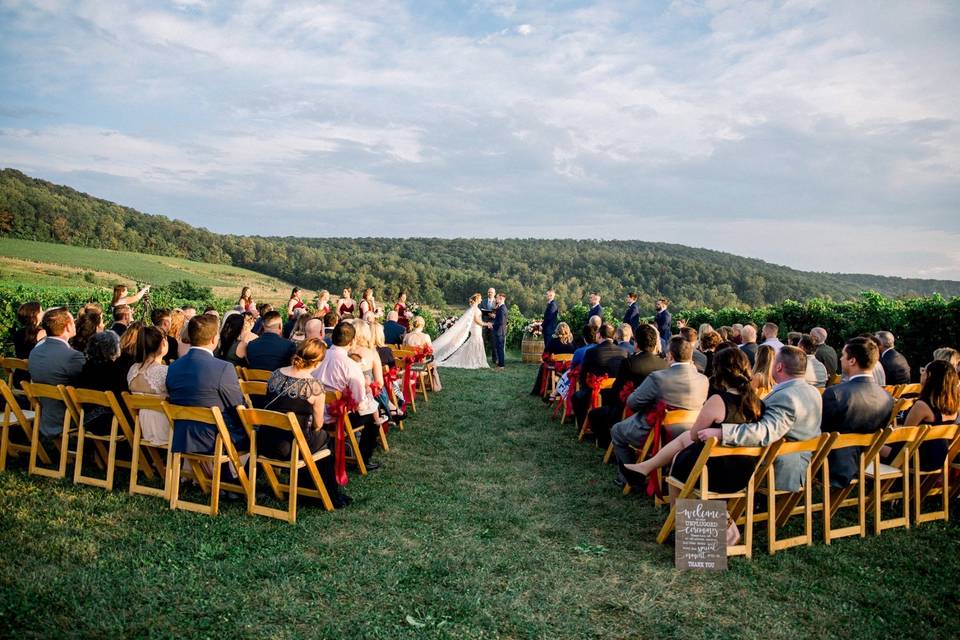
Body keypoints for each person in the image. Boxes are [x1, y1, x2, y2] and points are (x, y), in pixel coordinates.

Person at [626, 347, 762, 499]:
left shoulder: (718, 401)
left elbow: (694, 435)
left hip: (713, 472)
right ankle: (645, 467)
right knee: (685, 438)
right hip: (744, 473)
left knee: (679, 459)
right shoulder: (757, 402)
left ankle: (680, 517)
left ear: (719, 371)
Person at [702, 346, 822, 492]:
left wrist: (722, 433)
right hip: (796, 459)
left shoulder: (787, 397)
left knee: (713, 468)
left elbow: (765, 432)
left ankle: (710, 510)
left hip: (775, 468)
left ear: (778, 367)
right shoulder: (813, 391)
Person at [260, 339, 351, 508]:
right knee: (323, 438)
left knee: (313, 439)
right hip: (291, 447)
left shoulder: (275, 374)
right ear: (317, 362)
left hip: (264, 442)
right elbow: (318, 423)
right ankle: (324, 492)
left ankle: (306, 487)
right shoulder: (314, 386)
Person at [610, 336, 709, 486]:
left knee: (617, 430)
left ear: (670, 355)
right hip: (691, 433)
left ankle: (627, 476)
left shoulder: (658, 378)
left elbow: (632, 402)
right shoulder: (703, 379)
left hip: (658, 432)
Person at [166, 314, 247, 455]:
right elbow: (237, 407)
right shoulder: (223, 368)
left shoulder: (173, 367)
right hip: (215, 439)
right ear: (214, 339)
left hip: (183, 437)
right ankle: (233, 474)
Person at [820, 337, 894, 487]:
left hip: (831, 466)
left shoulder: (835, 394)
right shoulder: (887, 397)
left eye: (843, 355)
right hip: (866, 461)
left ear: (852, 361)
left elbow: (821, 432)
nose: (840, 359)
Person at [312, 322, 381, 470]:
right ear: (352, 342)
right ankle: (364, 458)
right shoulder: (350, 365)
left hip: (313, 413)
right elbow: (359, 402)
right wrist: (368, 394)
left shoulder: (318, 355)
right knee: (373, 417)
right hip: (336, 416)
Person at [586, 324, 667, 446]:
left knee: (594, 414)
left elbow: (617, 390)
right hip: (654, 410)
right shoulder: (663, 364)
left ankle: (607, 444)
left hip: (629, 409)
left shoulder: (629, 363)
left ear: (636, 343)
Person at [27, 308, 85, 437]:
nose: (75, 323)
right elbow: (87, 385)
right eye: (73, 321)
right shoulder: (72, 356)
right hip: (69, 417)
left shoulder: (35, 352)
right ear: (67, 326)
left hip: (46, 416)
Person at [901, 360, 959, 471]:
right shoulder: (953, 405)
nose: (921, 373)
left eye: (924, 371)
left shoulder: (922, 405)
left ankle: (873, 486)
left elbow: (904, 435)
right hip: (940, 456)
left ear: (929, 376)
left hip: (918, 456)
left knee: (870, 447)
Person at [572, 323, 627, 425]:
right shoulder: (623, 352)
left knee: (576, 397)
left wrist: (584, 388)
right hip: (616, 394)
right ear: (613, 336)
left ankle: (583, 425)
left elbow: (583, 374)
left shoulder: (592, 352)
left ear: (599, 335)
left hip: (597, 392)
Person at [126, 326, 171, 444]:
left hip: (142, 428)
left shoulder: (132, 370)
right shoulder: (164, 371)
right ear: (162, 344)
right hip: (166, 429)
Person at [78, 331, 129, 434]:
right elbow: (124, 400)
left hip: (88, 422)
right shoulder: (117, 372)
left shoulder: (85, 369)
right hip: (112, 424)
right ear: (114, 348)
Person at [431, 293, 488, 369]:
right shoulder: (474, 308)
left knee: (476, 341)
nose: (481, 299)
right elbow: (477, 320)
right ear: (477, 299)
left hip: (477, 327)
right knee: (475, 341)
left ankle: (476, 359)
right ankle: (474, 360)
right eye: (480, 298)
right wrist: (486, 324)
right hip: (476, 327)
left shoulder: (475, 307)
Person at [487, 293, 508, 370]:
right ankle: (500, 364)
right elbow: (499, 319)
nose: (496, 299)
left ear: (501, 299)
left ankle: (501, 365)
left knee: (500, 348)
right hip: (499, 331)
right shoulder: (500, 307)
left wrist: (492, 324)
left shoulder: (502, 308)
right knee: (499, 348)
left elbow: (501, 321)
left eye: (497, 298)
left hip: (500, 331)